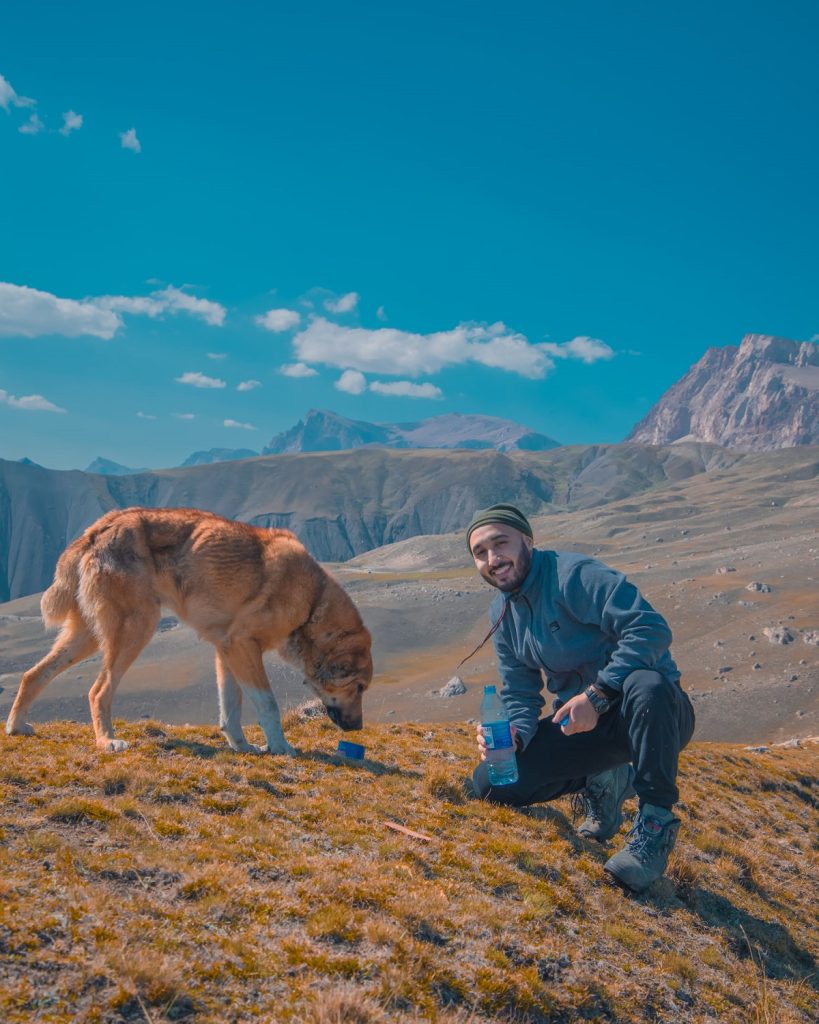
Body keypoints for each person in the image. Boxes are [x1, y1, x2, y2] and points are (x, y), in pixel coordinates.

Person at [467, 503, 694, 893]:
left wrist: (599, 694)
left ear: (528, 540)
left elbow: (650, 628)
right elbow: (520, 691)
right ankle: (604, 780)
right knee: (492, 784)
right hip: (584, 726)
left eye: (500, 544)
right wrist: (516, 736)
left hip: (655, 714)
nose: (493, 559)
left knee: (646, 682)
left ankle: (653, 828)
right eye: (480, 553)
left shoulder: (573, 575)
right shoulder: (502, 612)